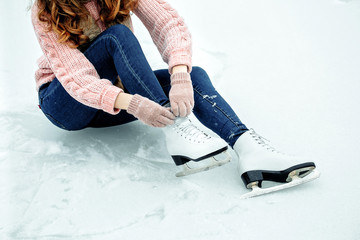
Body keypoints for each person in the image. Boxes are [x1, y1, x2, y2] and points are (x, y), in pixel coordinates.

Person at [31, 0, 319, 197]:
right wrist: (132, 102)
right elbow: (75, 77)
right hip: (65, 104)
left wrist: (179, 74)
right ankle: (177, 130)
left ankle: (249, 149)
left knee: (195, 75)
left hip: (113, 102)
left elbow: (168, 23)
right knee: (116, 36)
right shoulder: (45, 9)